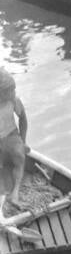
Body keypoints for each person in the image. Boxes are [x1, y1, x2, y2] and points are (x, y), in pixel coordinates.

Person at [0, 68, 28, 215]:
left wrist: (23, 142)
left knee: (19, 158)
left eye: (13, 89)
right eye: (9, 90)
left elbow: (23, 119)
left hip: (11, 136)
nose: (13, 92)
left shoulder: (14, 101)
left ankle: (14, 193)